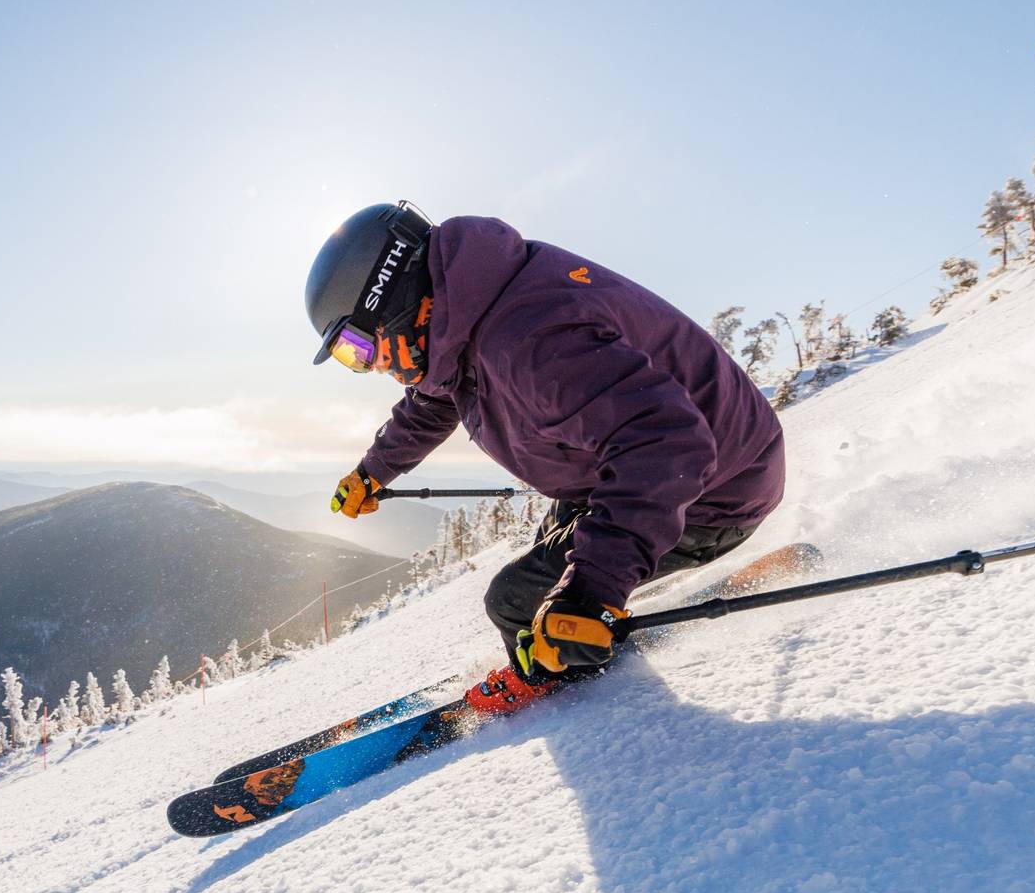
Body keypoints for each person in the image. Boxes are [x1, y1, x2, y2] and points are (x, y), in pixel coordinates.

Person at [305, 201, 786, 709]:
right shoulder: (470, 312)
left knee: (513, 600)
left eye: (357, 349)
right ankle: (563, 628)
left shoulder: (528, 339)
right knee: (548, 559)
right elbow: (435, 401)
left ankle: (567, 689)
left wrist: (592, 594)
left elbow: (665, 444)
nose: (370, 366)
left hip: (714, 490)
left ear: (395, 299)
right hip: (639, 466)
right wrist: (372, 472)